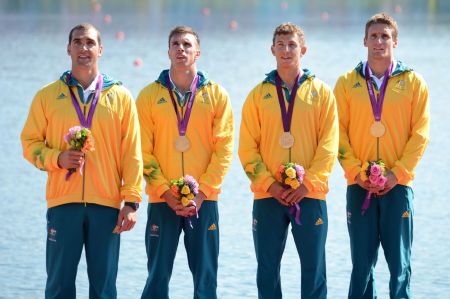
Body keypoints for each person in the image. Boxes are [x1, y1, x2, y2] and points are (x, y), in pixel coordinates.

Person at [20, 23, 143, 299]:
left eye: (89, 42)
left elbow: (132, 152)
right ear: (68, 49)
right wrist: (58, 158)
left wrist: (132, 201)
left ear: (100, 49)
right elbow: (29, 144)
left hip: (107, 206)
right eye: (77, 42)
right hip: (63, 204)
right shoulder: (48, 96)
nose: (83, 48)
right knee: (59, 287)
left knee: (104, 289)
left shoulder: (121, 97)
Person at [238, 22, 338, 299]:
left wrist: (307, 185)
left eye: (292, 45)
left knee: (314, 270)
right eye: (280, 45)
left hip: (311, 195)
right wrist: (270, 185)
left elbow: (329, 146)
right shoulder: (258, 95)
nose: (286, 50)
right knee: (267, 270)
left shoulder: (322, 93)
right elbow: (247, 148)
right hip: (268, 197)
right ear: (272, 50)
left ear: (303, 50)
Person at [334, 13, 430, 299]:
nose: (379, 42)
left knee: (399, 266)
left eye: (385, 36)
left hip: (398, 187)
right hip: (358, 186)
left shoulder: (414, 82)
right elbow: (337, 135)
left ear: (395, 41)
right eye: (374, 36)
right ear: (364, 41)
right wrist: (357, 173)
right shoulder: (346, 82)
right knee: (361, 266)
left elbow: (420, 135)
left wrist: (395, 174)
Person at [136, 26, 234, 299]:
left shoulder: (217, 95)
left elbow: (224, 150)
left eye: (187, 45)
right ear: (168, 51)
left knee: (205, 280)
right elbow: (143, 152)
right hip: (161, 201)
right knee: (156, 278)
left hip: (203, 202)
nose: (181, 49)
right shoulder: (148, 96)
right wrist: (166, 193)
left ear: (198, 52)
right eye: (175, 44)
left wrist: (201, 194)